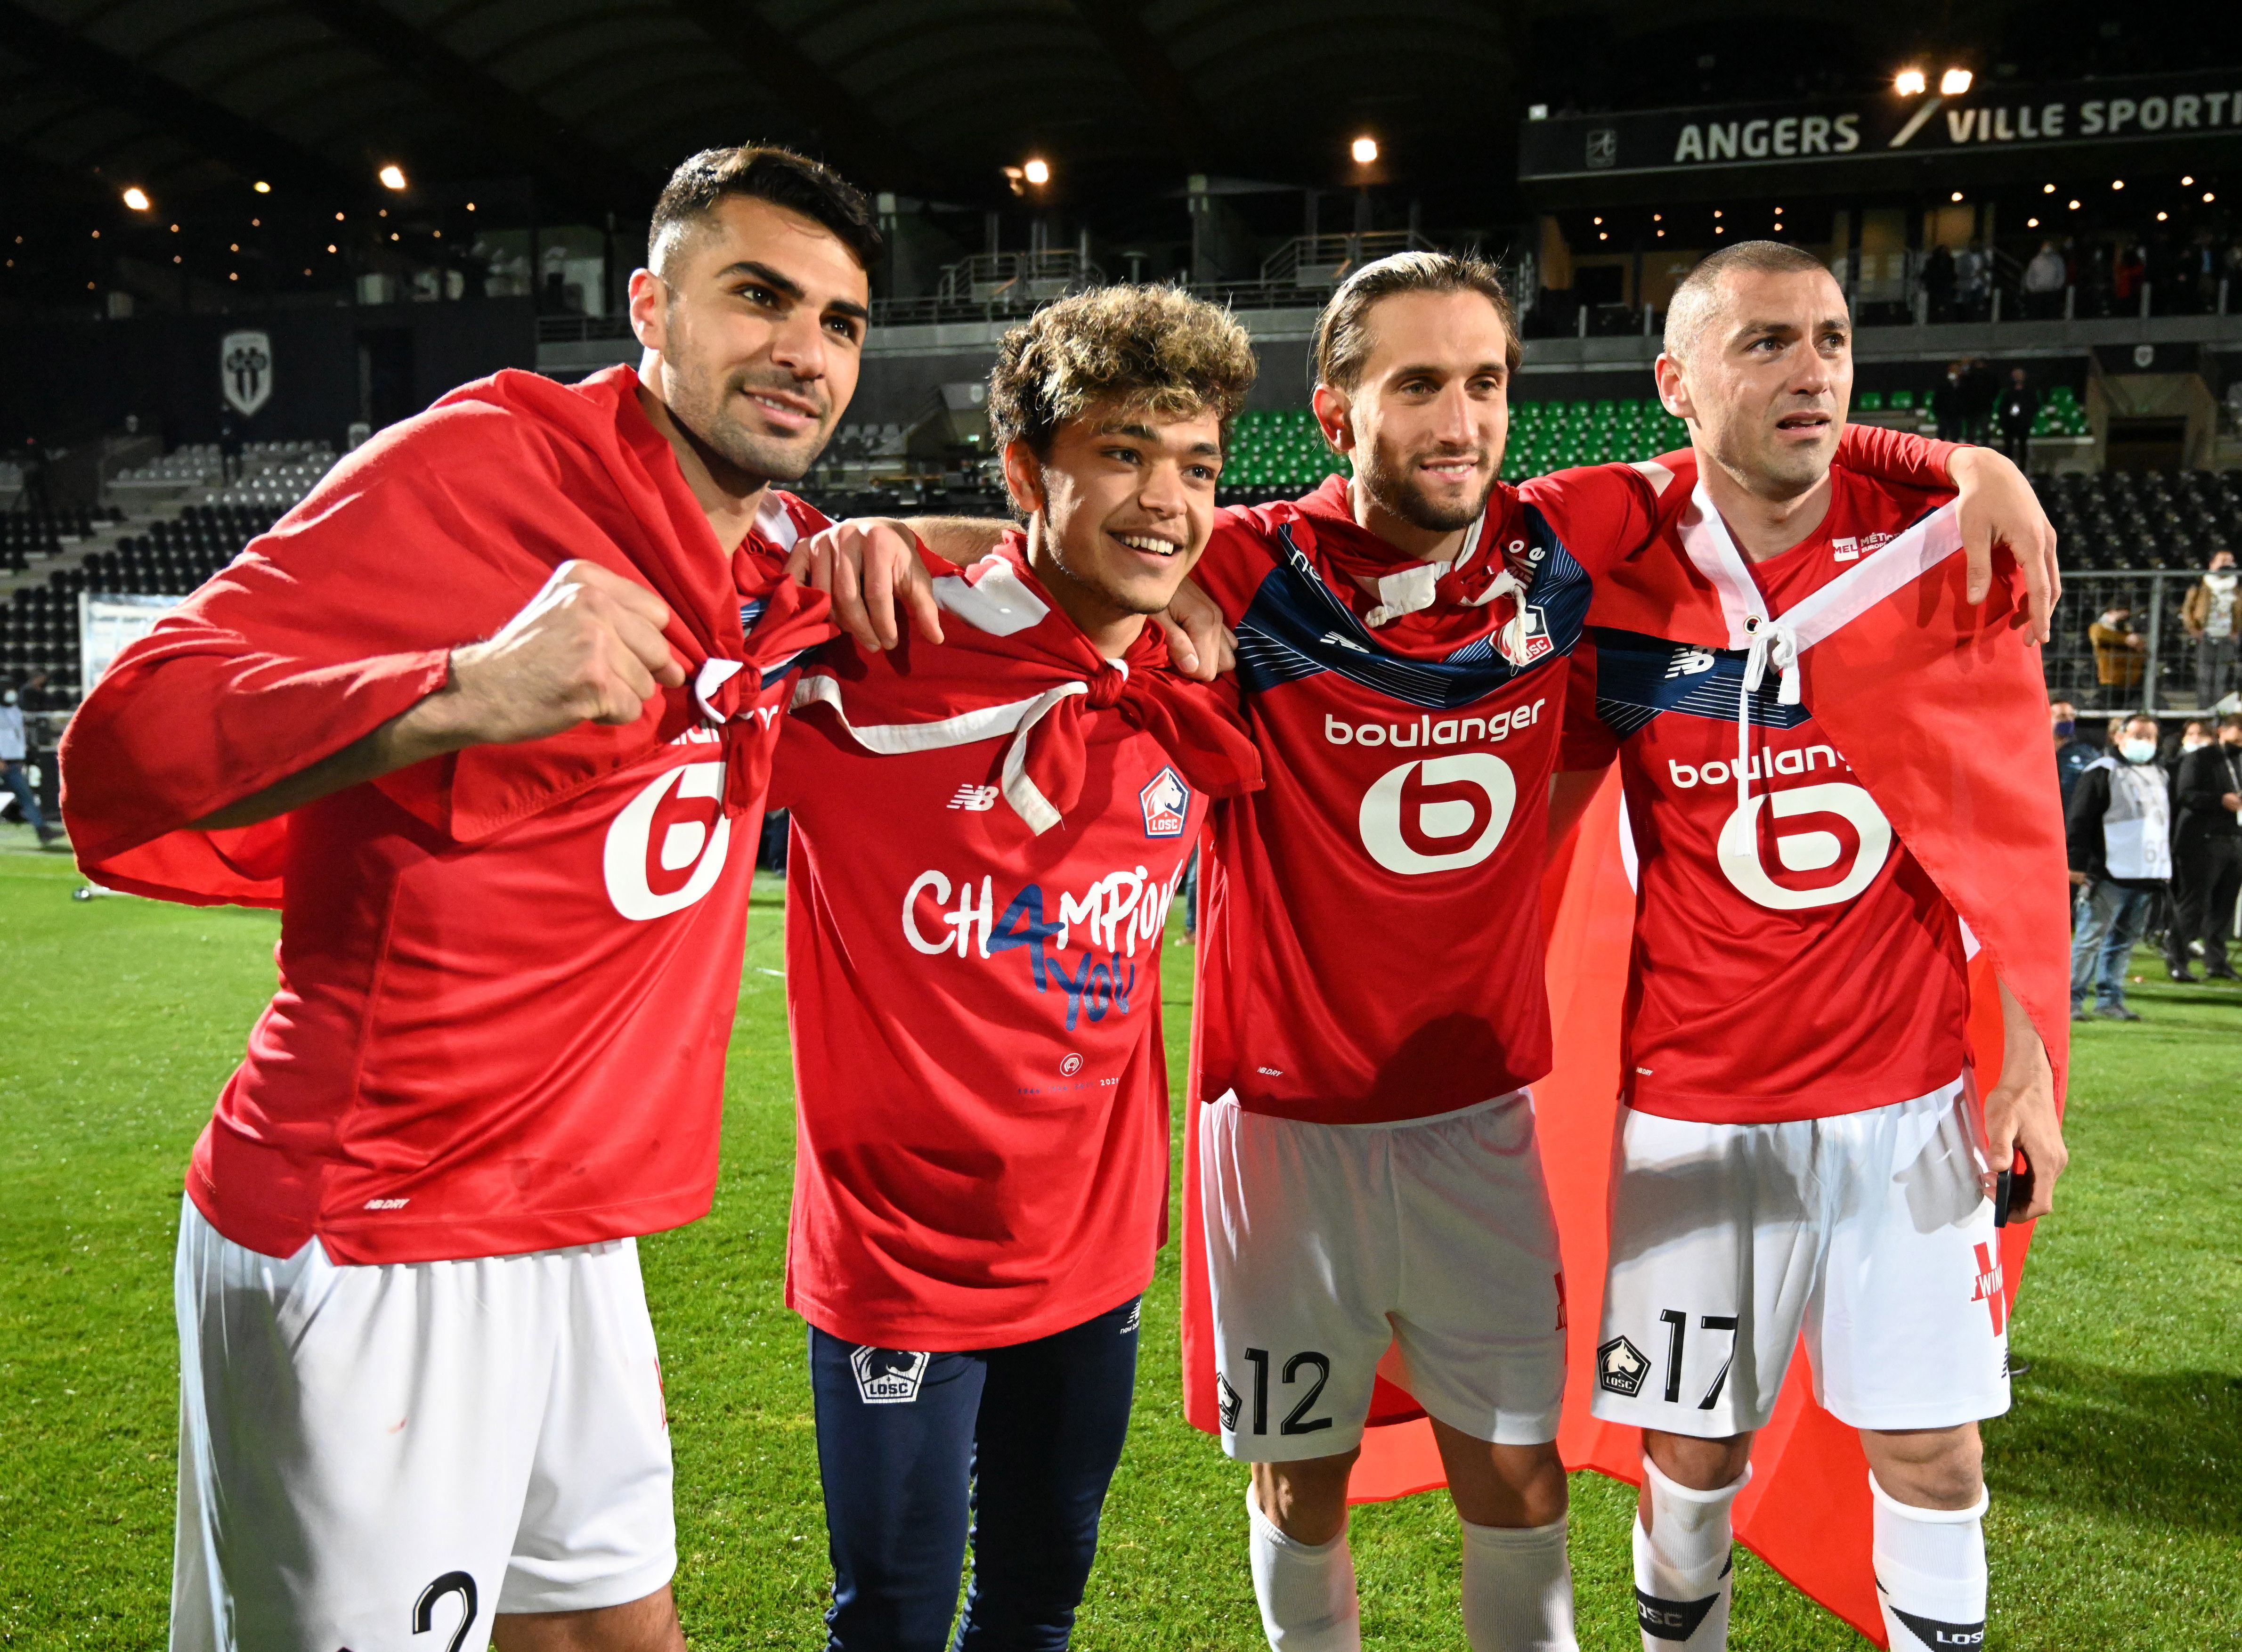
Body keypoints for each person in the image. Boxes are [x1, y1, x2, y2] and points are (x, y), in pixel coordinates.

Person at [803, 250, 2057, 1652]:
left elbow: (1745, 426)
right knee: (1300, 1476)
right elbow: (1062, 539)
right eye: (1414, 386)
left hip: (1476, 1119)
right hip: (1276, 1126)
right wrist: (885, 535)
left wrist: (1957, 461)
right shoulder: (1242, 558)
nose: (1458, 421)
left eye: (1483, 382)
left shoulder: (1558, 538)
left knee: (1514, 1471)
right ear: (1334, 415)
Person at [57, 144, 916, 1652]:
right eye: (758, 296)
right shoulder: (478, 473)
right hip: (376, 1221)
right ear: (649, 307)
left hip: (574, 1226)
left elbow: (963, 570)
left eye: (839, 321)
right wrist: (465, 685)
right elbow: (125, 737)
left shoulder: (775, 560)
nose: (803, 349)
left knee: (611, 1634)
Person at [1551, 240, 2067, 1652]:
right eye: (1764, 343)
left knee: (1934, 1455)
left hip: (1905, 1109)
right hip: (1690, 1118)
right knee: (1690, 1458)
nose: (1812, 371)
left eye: (1831, 341)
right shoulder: (1607, 562)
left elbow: (2013, 835)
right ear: (1671, 383)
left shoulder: (1926, 548)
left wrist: (2020, 1068)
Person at [775, 284, 1261, 1652]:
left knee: (1038, 1607)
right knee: (896, 1617)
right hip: (900, 1256)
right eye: (1120, 453)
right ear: (1024, 471)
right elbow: (707, 607)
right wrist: (873, 538)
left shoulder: (1191, 667)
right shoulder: (880, 646)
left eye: (1195, 466)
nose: (1165, 500)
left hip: (1093, 1248)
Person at [2066, 714, 2173, 1019]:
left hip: (2145, 872)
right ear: (2119, 736)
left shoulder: (2159, 774)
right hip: (2107, 871)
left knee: (2124, 941)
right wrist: (2076, 863)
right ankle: (2071, 1002)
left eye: (2150, 736)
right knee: (2090, 939)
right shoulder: (2102, 771)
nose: (2144, 742)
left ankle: (2110, 999)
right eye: (2138, 734)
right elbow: (2079, 820)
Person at [2164, 714, 2242, 981]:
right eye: (2239, 730)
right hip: (2201, 842)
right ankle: (2177, 959)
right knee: (2193, 904)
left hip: (2234, 839)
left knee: (2224, 906)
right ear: (2222, 731)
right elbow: (2186, 795)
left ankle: (2216, 961)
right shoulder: (2200, 758)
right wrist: (2220, 800)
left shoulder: (2239, 760)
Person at [1, 681, 61, 845]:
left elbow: (18, 736)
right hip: (3, 761)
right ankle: (42, 830)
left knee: (26, 796)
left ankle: (42, 830)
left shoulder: (15, 711)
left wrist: (22, 757)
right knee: (25, 796)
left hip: (13, 761)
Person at [2179, 547, 2239, 709]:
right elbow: (2187, 609)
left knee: (2221, 678)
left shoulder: (2237, 585)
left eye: (2230, 560)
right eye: (2223, 560)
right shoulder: (2201, 584)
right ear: (2212, 564)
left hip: (2226, 636)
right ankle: (2204, 711)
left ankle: (2217, 713)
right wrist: (2193, 629)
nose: (2227, 564)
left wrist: (2236, 631)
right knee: (2204, 678)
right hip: (2205, 636)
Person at [2089, 602, 2147, 708]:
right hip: (2111, 684)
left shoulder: (2128, 632)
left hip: (2132, 685)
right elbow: (2099, 635)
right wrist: (2125, 640)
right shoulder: (2099, 629)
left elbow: (2141, 649)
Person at [2051, 697, 2100, 810]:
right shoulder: (2036, 752)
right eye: (2062, 717)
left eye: (2071, 716)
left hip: (2074, 815)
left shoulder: (2087, 754)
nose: (2068, 720)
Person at [1995, 368, 2036, 466]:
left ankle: (2023, 468)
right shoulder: (2008, 393)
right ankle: (2008, 468)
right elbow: (2003, 408)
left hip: (2023, 423)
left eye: (2019, 375)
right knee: (2008, 447)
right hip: (2010, 424)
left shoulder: (2029, 392)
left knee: (2023, 446)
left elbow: (2034, 406)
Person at [2022, 241, 2067, 318]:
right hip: (2038, 292)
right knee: (2038, 314)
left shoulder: (2057, 260)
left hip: (2052, 292)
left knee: (2051, 314)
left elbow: (2061, 275)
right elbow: (2030, 276)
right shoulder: (2036, 261)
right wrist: (2032, 288)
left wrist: (2057, 287)